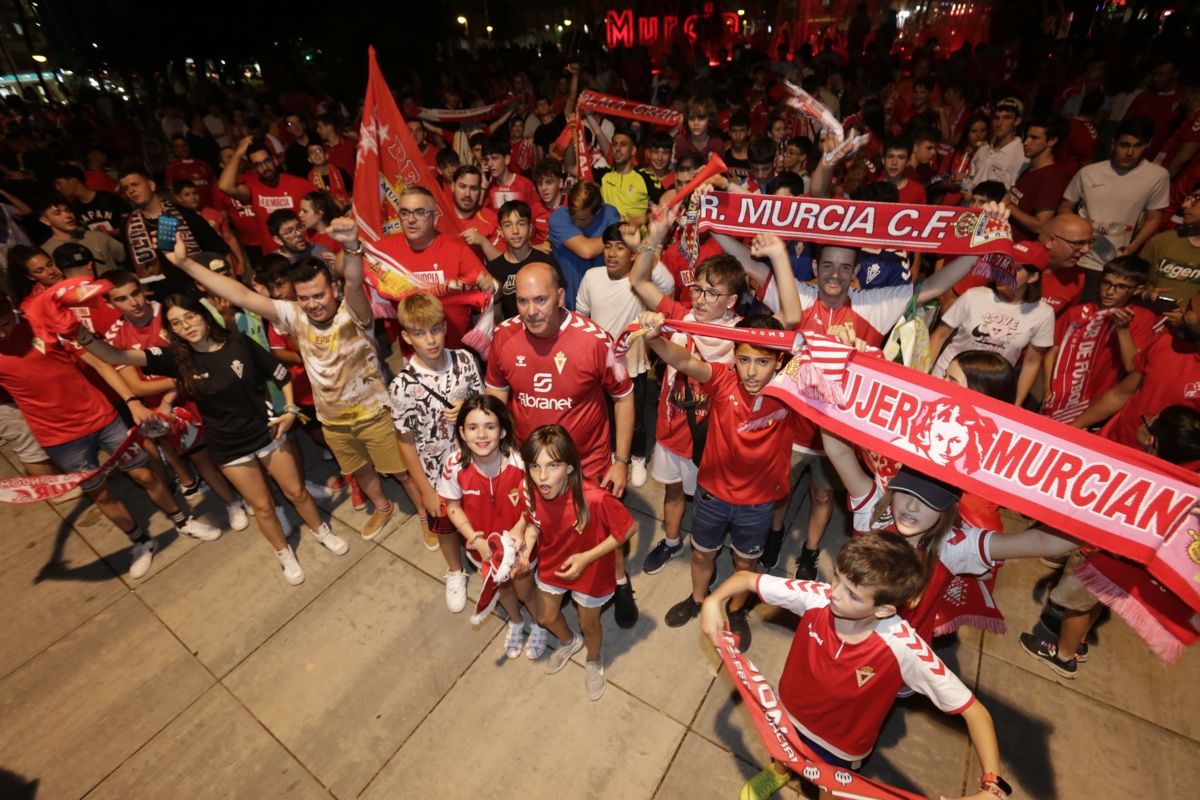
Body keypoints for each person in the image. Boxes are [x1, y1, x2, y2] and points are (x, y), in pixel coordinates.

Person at [699, 533, 1008, 800]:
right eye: (837, 578)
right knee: (783, 753)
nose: (834, 592)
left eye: (851, 593)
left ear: (885, 609)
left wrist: (992, 787)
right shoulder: (818, 598)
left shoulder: (904, 647)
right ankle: (779, 771)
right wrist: (713, 601)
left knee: (830, 788)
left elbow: (975, 712)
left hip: (841, 744)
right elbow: (746, 579)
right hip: (789, 710)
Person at [162, 218, 416, 540]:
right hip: (333, 419)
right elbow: (240, 295)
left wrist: (351, 246)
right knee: (361, 470)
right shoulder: (294, 315)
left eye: (319, 295)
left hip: (374, 413)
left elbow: (353, 281)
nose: (313, 303)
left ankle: (424, 513)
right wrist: (185, 264)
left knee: (402, 471)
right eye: (305, 297)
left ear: (333, 290)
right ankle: (382, 507)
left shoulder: (353, 312)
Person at [77, 294, 347, 585]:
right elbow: (115, 356)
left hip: (266, 431)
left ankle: (323, 532)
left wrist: (291, 410)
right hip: (229, 447)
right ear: (172, 331)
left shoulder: (240, 342)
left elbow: (280, 375)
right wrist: (78, 334)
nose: (186, 326)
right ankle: (284, 554)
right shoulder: (175, 359)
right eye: (177, 323)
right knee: (263, 507)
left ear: (203, 315)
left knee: (296, 493)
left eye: (190, 316)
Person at [0, 290, 220, 579]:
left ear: (10, 305)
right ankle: (141, 542)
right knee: (100, 493)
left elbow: (101, 363)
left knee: (145, 475)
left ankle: (183, 521)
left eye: (4, 323)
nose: (2, 334)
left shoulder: (42, 323)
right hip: (59, 439)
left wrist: (132, 401)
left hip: (103, 419)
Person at [485, 262, 639, 627]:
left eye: (540, 300)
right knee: (545, 525)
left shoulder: (596, 340)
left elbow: (625, 397)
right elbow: (496, 393)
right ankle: (554, 580)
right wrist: (497, 450)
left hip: (590, 461)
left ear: (560, 296)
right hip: (532, 464)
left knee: (602, 529)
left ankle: (619, 581)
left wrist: (621, 460)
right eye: (522, 301)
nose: (530, 310)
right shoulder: (504, 336)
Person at [640, 310, 802, 651]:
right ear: (733, 356)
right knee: (702, 556)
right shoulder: (722, 380)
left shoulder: (793, 392)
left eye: (762, 361)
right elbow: (683, 360)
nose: (752, 371)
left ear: (780, 361)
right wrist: (654, 338)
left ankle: (738, 609)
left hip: (758, 505)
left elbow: (833, 373)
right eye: (743, 359)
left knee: (745, 563)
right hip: (712, 495)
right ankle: (698, 599)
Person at [1020, 405, 1200, 678]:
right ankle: (1078, 643)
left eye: (1150, 419)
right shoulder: (1175, 487)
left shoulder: (1138, 477)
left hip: (1097, 556)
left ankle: (1063, 656)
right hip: (1120, 567)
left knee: (1075, 606)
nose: (1147, 418)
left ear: (1152, 440)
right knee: (1095, 602)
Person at [100, 270, 249, 528]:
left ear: (143, 289)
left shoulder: (172, 313)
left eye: (136, 293)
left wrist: (191, 377)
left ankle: (251, 494)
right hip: (174, 409)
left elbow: (201, 353)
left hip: (208, 394)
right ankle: (233, 503)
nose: (133, 303)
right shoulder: (115, 337)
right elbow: (136, 386)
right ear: (110, 304)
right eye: (122, 299)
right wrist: (182, 382)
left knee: (236, 449)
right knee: (203, 459)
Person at [521, 424, 637, 701]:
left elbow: (628, 529)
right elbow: (533, 524)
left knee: (590, 626)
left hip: (592, 570)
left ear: (571, 468)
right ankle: (569, 642)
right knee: (546, 616)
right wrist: (526, 548)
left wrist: (586, 558)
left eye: (552, 466)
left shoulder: (595, 498)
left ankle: (594, 659)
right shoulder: (532, 488)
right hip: (552, 563)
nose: (542, 476)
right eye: (535, 467)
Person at [389, 293, 484, 610]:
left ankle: (485, 556)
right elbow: (405, 442)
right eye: (419, 333)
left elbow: (485, 407)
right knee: (445, 527)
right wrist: (425, 490)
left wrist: (468, 406)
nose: (429, 340)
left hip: (476, 465)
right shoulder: (402, 386)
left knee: (481, 517)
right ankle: (455, 572)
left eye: (434, 329)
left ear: (445, 326)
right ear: (406, 336)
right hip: (436, 475)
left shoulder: (465, 361)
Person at [438, 395, 545, 658]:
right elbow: (452, 506)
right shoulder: (454, 465)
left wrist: (519, 530)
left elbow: (534, 503)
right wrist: (474, 540)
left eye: (490, 426)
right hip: (482, 551)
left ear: (503, 430)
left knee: (525, 588)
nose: (482, 434)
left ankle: (539, 622)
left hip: (518, 549)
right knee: (502, 589)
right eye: (473, 427)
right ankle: (516, 621)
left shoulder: (520, 463)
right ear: (462, 432)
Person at [576, 223, 677, 487]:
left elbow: (668, 285)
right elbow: (581, 316)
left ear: (631, 253)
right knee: (605, 416)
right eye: (608, 246)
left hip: (633, 366)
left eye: (620, 248)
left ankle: (638, 456)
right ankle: (614, 454)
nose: (611, 253)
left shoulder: (641, 282)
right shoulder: (592, 277)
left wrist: (643, 247)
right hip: (599, 368)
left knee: (638, 421)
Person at [929, 241, 1056, 407]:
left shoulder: (1043, 314)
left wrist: (1014, 405)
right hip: (947, 377)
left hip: (989, 391)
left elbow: (1031, 363)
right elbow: (940, 335)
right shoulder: (974, 296)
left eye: (1016, 269)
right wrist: (923, 373)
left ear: (1033, 277)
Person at [1058, 117, 1170, 301]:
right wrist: (1079, 226)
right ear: (1113, 144)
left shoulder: (1157, 176)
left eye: (1138, 146)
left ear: (1148, 145)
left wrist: (1132, 247)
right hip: (1076, 256)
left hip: (1112, 266)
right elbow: (1065, 207)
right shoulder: (1089, 172)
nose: (1130, 152)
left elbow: (1155, 218)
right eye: (1124, 145)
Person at [1072, 290, 1200, 444]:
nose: (1181, 311)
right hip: (1108, 444)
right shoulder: (1166, 343)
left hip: (1152, 465)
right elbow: (1120, 394)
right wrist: (1072, 428)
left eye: (1190, 309)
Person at [1042, 256, 1157, 424]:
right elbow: (1053, 351)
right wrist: (1047, 387)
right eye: (1106, 283)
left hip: (1099, 403)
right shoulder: (1077, 312)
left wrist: (1123, 329)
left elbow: (1132, 366)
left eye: (1121, 287)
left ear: (1138, 290)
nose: (1109, 291)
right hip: (1061, 397)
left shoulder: (1142, 317)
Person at [375, 186, 494, 348]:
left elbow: (493, 288)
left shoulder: (455, 248)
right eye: (404, 212)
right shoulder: (386, 249)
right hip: (412, 356)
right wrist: (350, 246)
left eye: (419, 212)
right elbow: (345, 266)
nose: (411, 219)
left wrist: (489, 285)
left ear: (435, 218)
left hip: (457, 351)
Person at [119, 169, 230, 298]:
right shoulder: (128, 225)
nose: (131, 191)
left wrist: (230, 284)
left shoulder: (185, 214)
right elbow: (131, 267)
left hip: (200, 287)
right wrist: (138, 291)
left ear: (151, 185)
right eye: (126, 188)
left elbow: (220, 250)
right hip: (162, 296)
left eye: (135, 184)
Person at [217, 137, 319, 256]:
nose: (265, 168)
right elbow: (225, 186)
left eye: (267, 161)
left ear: (275, 160)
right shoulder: (252, 187)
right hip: (273, 256)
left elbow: (323, 210)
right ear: (254, 168)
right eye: (259, 165)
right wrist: (238, 152)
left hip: (301, 252)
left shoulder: (300, 184)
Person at [547, 181, 621, 309]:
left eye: (582, 219)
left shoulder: (609, 214)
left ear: (597, 211)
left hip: (604, 298)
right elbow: (587, 251)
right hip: (570, 301)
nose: (575, 222)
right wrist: (615, 234)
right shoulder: (558, 218)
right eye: (572, 216)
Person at [485, 200, 561, 320]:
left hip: (545, 330)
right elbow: (496, 317)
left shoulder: (546, 262)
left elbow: (559, 305)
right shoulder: (494, 268)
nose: (515, 231)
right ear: (500, 231)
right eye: (508, 225)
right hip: (511, 334)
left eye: (521, 224)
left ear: (530, 228)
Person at [1005, 116, 1070, 240]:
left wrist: (1008, 205)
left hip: (1020, 249)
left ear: (1052, 141)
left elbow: (1041, 225)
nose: (1026, 142)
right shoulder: (1030, 168)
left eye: (1034, 138)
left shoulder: (1052, 177)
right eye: (1027, 136)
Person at [1140, 183, 1200, 305]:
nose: (1184, 205)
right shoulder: (1161, 241)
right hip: (1151, 319)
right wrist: (1146, 295)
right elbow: (1133, 285)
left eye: (1195, 200)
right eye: (1188, 198)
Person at [37, 194, 127, 273]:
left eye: (68, 210)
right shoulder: (47, 251)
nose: (68, 216)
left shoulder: (97, 237)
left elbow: (128, 257)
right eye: (58, 213)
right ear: (45, 220)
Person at [595, 128, 664, 226]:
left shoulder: (645, 176)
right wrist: (572, 133)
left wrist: (645, 219)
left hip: (636, 238)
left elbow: (667, 199)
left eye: (623, 144)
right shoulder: (604, 173)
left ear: (633, 150)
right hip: (609, 237)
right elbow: (571, 167)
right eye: (615, 144)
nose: (617, 149)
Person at [963, 98, 1026, 192]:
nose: (999, 123)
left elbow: (1012, 193)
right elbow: (971, 180)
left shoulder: (1021, 155)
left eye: (1006, 118)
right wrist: (962, 181)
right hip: (970, 204)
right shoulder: (983, 149)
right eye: (997, 117)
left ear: (1017, 121)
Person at [51, 163, 129, 237]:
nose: (57, 188)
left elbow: (130, 222)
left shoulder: (109, 198)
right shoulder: (74, 208)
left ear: (73, 181)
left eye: (59, 183)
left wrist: (111, 233)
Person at [482, 137, 541, 213]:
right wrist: (483, 187)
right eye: (487, 159)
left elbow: (536, 212)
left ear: (506, 159)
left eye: (494, 158)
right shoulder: (487, 187)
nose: (489, 164)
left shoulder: (525, 184)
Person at [164, 135, 216, 208]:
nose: (182, 149)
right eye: (178, 146)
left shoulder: (203, 164)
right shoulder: (172, 168)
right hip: (191, 211)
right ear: (173, 150)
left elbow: (214, 186)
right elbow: (173, 193)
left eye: (184, 145)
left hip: (211, 206)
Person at [267, 209, 332, 265]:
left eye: (299, 227)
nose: (298, 233)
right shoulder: (272, 264)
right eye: (289, 231)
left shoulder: (321, 252)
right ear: (278, 240)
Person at [305, 141, 352, 210]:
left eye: (319, 151)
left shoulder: (340, 172)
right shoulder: (307, 180)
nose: (316, 154)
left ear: (326, 155)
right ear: (309, 159)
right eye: (312, 152)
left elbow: (354, 192)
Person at [880, 137, 926, 204]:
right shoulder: (872, 189)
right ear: (883, 160)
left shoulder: (917, 191)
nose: (894, 163)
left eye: (901, 157)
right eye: (890, 156)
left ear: (908, 161)